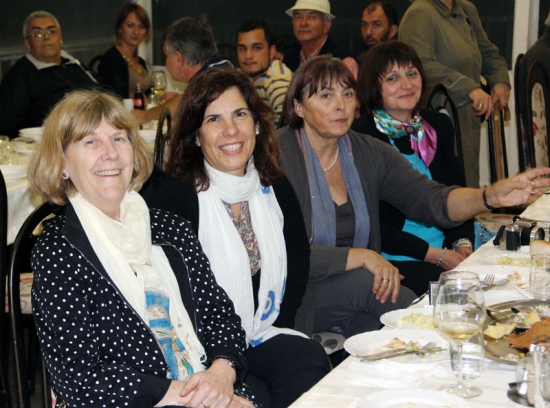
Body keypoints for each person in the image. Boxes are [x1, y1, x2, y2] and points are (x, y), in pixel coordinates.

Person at [276, 55, 550, 337]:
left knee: (376, 336)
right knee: (388, 298)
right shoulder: (274, 157)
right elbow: (275, 252)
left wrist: (488, 197)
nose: (340, 105)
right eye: (325, 95)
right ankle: (462, 339)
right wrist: (360, 256)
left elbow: (433, 200)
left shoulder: (366, 151)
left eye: (347, 94)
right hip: (294, 291)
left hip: (352, 289)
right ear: (298, 106)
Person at [28, 89, 256, 408]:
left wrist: (221, 373)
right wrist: (189, 395)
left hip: (202, 380)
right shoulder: (58, 252)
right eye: (91, 142)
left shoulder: (170, 228)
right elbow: (78, 377)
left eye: (119, 139)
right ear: (62, 163)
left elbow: (220, 314)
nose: (110, 153)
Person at [141, 69, 330, 408]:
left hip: (260, 332)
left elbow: (298, 256)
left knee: (309, 359)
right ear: (196, 136)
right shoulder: (176, 198)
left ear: (257, 124)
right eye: (213, 119)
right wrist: (224, 357)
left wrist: (279, 324)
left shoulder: (272, 185)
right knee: (258, 394)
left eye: (240, 114)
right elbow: (169, 299)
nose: (231, 130)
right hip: (204, 349)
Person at [352, 41, 475, 296]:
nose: (406, 85)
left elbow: (458, 192)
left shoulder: (437, 125)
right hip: (395, 256)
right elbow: (370, 225)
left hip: (447, 247)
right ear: (374, 87)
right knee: (458, 295)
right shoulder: (361, 137)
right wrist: (436, 256)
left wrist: (462, 243)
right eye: (393, 78)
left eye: (411, 73)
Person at [399, 0, 511, 188]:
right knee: (449, 182)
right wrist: (466, 86)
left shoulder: (466, 10)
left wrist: (499, 80)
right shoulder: (420, 13)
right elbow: (418, 64)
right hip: (437, 115)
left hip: (467, 113)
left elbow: (487, 52)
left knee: (468, 176)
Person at [0, 11, 97, 138]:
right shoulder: (20, 75)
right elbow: (6, 126)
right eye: (38, 33)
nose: (46, 37)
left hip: (96, 125)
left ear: (60, 38)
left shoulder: (74, 63)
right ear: (28, 44)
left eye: (51, 31)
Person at [133, 15, 233, 125]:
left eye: (166, 56)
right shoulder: (222, 66)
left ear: (178, 59)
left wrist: (143, 116)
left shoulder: (214, 79)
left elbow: (181, 104)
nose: (166, 61)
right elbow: (182, 101)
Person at [236, 19, 293, 127]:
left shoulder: (278, 78)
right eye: (242, 49)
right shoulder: (240, 76)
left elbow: (284, 131)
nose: (248, 56)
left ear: (272, 52)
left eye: (256, 48)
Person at [283, 0, 358, 77]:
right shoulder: (288, 60)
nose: (303, 23)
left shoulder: (343, 61)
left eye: (312, 17)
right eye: (298, 17)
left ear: (327, 25)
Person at [98, 3, 152, 99]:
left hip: (145, 112)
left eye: (141, 26)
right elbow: (114, 100)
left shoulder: (140, 62)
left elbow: (148, 94)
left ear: (146, 31)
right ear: (120, 28)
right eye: (130, 25)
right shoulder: (112, 60)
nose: (136, 32)